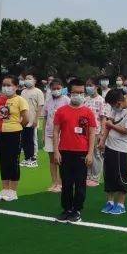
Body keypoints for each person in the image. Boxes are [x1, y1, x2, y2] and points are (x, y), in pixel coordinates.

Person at [52, 79, 97, 223]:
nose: (78, 95)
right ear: (69, 93)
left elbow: (92, 133)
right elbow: (55, 132)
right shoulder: (61, 111)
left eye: (81, 93)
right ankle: (66, 209)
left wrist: (90, 153)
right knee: (66, 183)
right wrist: (56, 152)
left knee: (79, 184)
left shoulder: (88, 112)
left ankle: (76, 210)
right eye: (75, 92)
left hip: (81, 153)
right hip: (64, 151)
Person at [0, 75, 29, 202]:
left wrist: (17, 125)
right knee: (3, 160)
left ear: (16, 87)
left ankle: (13, 190)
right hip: (0, 132)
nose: (6, 87)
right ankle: (5, 188)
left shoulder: (20, 100)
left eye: (9, 85)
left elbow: (26, 118)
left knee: (13, 161)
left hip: (14, 133)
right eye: (4, 85)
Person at [100, 87, 127, 215]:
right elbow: (107, 125)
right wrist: (102, 141)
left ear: (119, 102)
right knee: (109, 176)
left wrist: (111, 125)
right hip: (110, 147)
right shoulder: (115, 108)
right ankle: (110, 202)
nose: (112, 108)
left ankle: (121, 204)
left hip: (122, 150)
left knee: (121, 177)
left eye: (113, 105)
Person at [42, 78, 67, 193]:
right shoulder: (48, 101)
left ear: (62, 88)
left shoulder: (66, 100)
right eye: (54, 89)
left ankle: (62, 183)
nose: (56, 90)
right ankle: (54, 182)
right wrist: (43, 134)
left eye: (58, 88)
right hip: (49, 133)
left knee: (61, 159)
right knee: (52, 159)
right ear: (50, 89)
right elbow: (45, 118)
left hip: (62, 134)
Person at [83, 78, 107, 187]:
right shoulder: (85, 99)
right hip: (85, 131)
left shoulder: (101, 100)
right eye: (87, 85)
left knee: (97, 154)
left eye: (90, 85)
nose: (88, 87)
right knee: (87, 153)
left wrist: (102, 133)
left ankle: (95, 177)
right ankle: (88, 175)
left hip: (96, 131)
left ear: (96, 86)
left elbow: (103, 117)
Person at [21, 72, 45, 168]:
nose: (27, 80)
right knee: (25, 139)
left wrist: (36, 119)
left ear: (34, 80)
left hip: (32, 119)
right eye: (26, 78)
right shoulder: (23, 92)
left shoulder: (38, 91)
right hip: (23, 120)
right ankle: (27, 157)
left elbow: (40, 106)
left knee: (33, 139)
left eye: (29, 78)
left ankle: (33, 157)